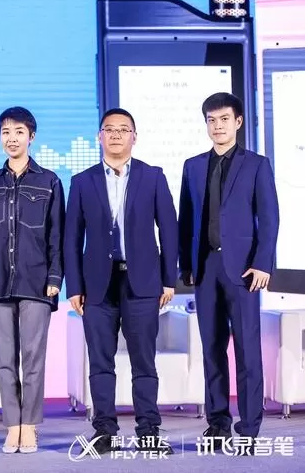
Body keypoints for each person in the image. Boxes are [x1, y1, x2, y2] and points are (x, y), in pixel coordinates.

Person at [64, 108, 177, 455]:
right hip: (97, 286)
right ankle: (104, 432)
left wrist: (168, 279)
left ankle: (148, 431)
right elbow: (71, 238)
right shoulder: (82, 181)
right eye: (109, 129)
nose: (115, 135)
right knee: (101, 362)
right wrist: (74, 286)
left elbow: (169, 230)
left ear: (134, 137)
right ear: (99, 136)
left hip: (142, 282)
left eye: (123, 129)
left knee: (144, 361)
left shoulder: (153, 176)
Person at [179, 92, 279, 448]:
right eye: (211, 120)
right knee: (212, 349)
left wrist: (263, 262)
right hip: (205, 267)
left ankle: (249, 426)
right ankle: (218, 422)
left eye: (224, 119)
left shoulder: (257, 165)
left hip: (244, 270)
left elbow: (269, 217)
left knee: (248, 350)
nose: (217, 126)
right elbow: (185, 219)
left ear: (238, 122)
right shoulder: (192, 166)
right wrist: (186, 265)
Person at [0, 106, 64, 453]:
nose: (11, 138)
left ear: (31, 137)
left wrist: (55, 276)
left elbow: (57, 233)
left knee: (33, 359)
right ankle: (12, 426)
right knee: (4, 360)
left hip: (37, 281)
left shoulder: (49, 181)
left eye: (18, 132)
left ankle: (30, 426)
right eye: (5, 132)